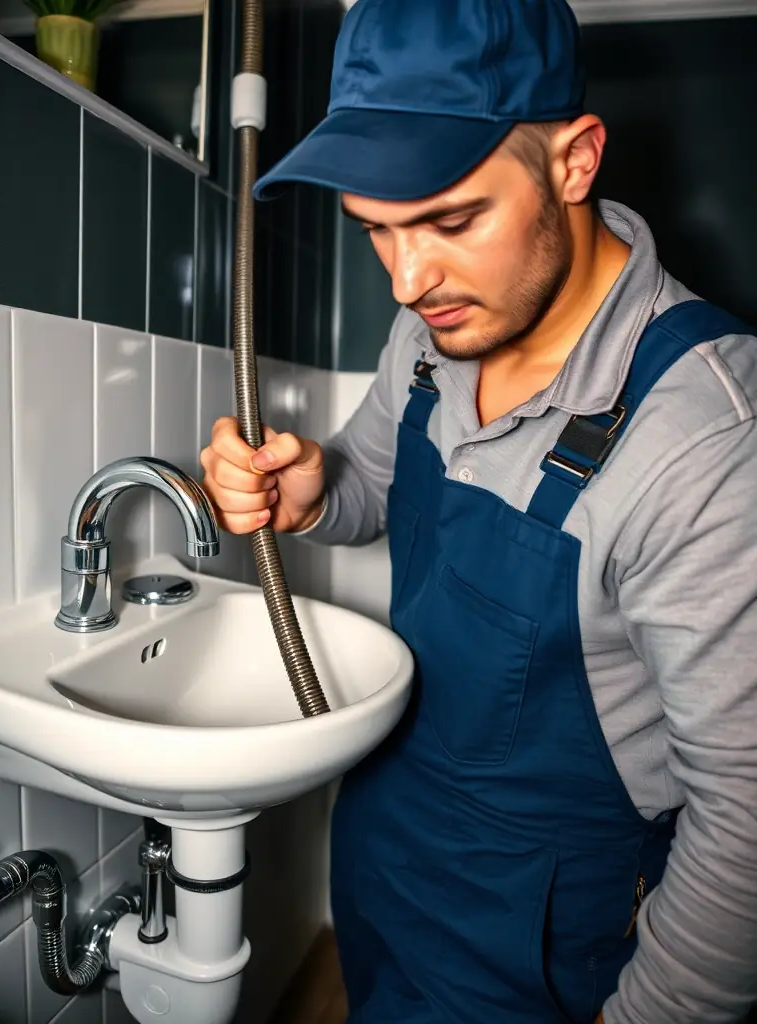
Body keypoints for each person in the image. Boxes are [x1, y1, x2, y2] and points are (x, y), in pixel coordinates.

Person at [200, 0, 757, 1020]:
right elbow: (369, 487)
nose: (410, 281)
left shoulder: (709, 437)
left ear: (575, 161)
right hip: (391, 865)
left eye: (452, 221)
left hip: (540, 948)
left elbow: (749, 823)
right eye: (375, 232)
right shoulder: (432, 334)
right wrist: (310, 486)